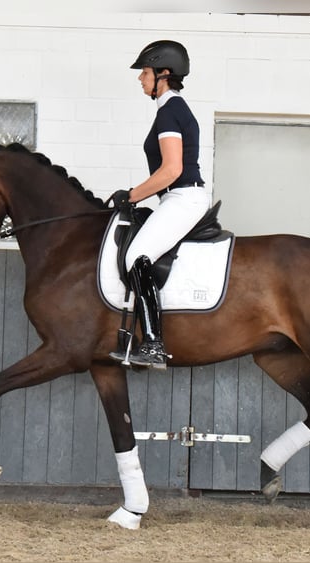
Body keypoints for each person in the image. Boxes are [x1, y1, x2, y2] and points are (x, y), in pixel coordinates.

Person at [109, 40, 212, 370]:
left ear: (163, 74)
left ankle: (153, 344)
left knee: (135, 258)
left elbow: (172, 169)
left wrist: (132, 194)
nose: (140, 78)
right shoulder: (171, 109)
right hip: (177, 197)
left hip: (184, 196)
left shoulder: (170, 112)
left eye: (145, 72)